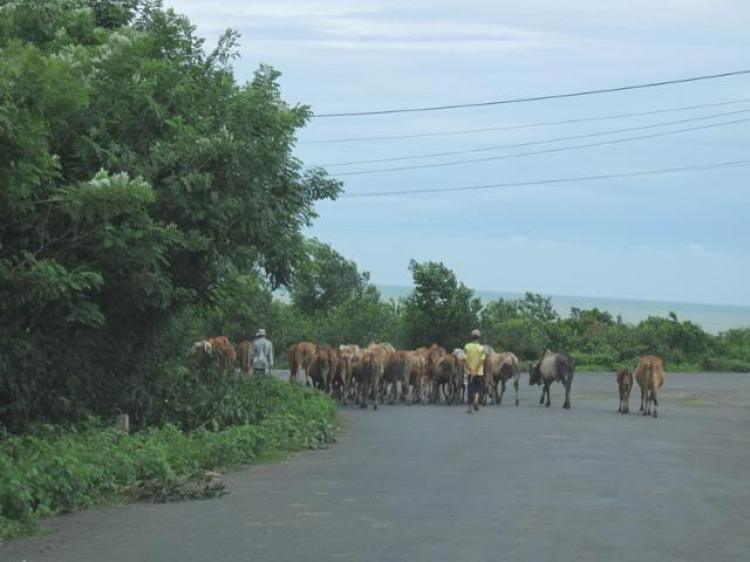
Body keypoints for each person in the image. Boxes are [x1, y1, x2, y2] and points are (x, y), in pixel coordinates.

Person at [464, 329, 486, 413]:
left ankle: (470, 408)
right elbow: (482, 360)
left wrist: (471, 369)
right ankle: (476, 401)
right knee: (478, 388)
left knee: (470, 389)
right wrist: (476, 369)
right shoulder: (482, 348)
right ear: (479, 337)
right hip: (479, 372)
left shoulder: (467, 346)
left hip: (469, 372)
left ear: (471, 337)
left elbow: (464, 359)